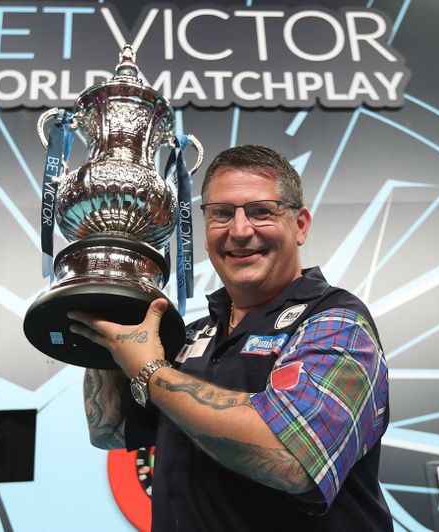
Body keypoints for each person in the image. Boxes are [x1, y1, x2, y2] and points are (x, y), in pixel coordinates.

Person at [71, 145, 391, 531]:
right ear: (206, 232)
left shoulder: (337, 322)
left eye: (261, 211)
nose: (240, 231)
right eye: (222, 214)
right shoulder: (190, 336)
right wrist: (107, 298)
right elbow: (109, 429)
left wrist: (151, 372)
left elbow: (292, 460)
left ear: (300, 224)